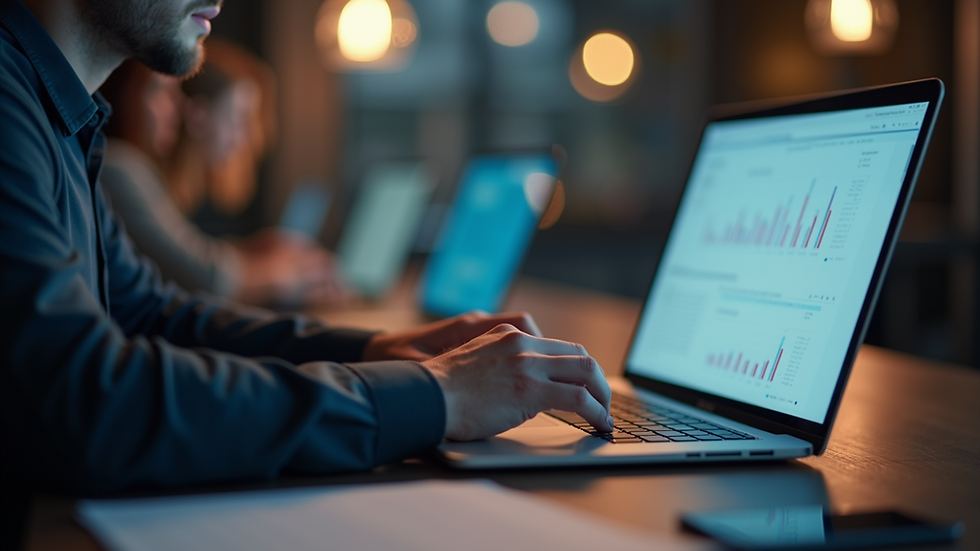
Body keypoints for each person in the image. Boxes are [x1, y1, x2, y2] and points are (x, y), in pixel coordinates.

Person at [0, 0, 615, 502]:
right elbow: (87, 404)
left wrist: (383, 350)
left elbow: (153, 316)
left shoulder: (55, 121)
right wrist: (438, 397)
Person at [98, 56, 346, 307]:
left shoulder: (142, 175)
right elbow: (203, 275)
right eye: (239, 117)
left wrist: (250, 251)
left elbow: (193, 256)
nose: (179, 107)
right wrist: (293, 275)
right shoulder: (121, 168)